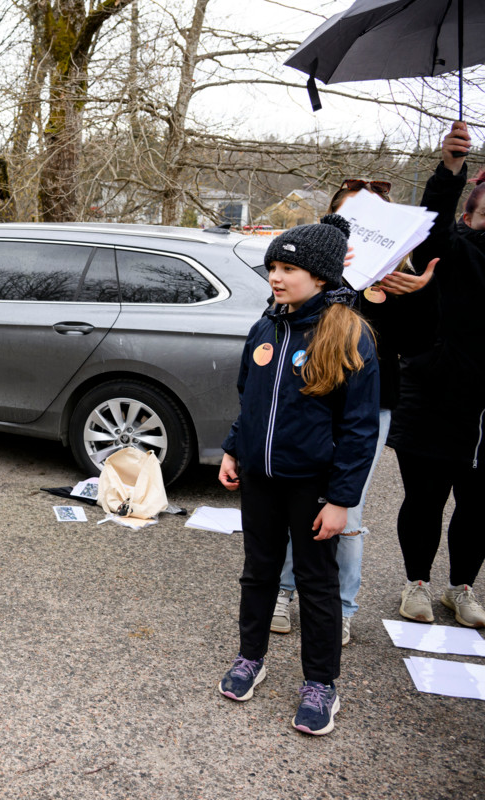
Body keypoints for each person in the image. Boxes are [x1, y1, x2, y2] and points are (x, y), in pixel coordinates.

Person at [217, 214, 380, 736]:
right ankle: (250, 657)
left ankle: (321, 684)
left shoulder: (348, 334)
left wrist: (341, 499)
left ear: (322, 275)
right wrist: (233, 449)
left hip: (313, 486)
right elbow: (250, 398)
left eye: (288, 268)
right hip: (261, 478)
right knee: (258, 570)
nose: (276, 278)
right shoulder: (267, 326)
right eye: (273, 268)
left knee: (315, 583)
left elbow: (358, 430)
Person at [271, 180, 436, 646]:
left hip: (368, 408)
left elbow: (419, 343)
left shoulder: (393, 280)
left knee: (347, 509)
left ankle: (341, 606)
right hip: (309, 401)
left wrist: (418, 293)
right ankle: (284, 591)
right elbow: (283, 314)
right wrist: (333, 276)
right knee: (297, 498)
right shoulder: (314, 274)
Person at [386, 121, 485, 629]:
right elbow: (432, 225)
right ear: (472, 204)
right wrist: (451, 169)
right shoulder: (451, 248)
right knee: (425, 499)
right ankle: (416, 583)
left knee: (479, 507)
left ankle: (462, 587)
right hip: (434, 398)